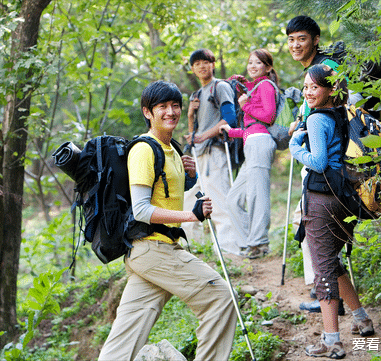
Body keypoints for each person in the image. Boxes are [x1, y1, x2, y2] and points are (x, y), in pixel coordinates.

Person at [98, 80, 237, 361]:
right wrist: (191, 215)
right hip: (153, 248)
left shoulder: (171, 148)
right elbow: (141, 210)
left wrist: (191, 178)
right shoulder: (143, 150)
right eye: (162, 106)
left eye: (175, 105)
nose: (171, 112)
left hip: (152, 252)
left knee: (125, 338)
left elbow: (166, 193)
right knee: (220, 298)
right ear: (148, 112)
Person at [289, 64, 375, 359]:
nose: (308, 92)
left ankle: (332, 341)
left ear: (330, 89)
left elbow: (319, 161)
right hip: (344, 197)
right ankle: (362, 318)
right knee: (333, 263)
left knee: (322, 269)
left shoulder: (316, 119)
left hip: (322, 198)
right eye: (305, 87)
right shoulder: (342, 112)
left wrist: (294, 148)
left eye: (314, 87)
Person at [286, 15, 348, 315]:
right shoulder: (316, 71)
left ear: (315, 40)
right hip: (328, 163)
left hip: (324, 168)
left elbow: (341, 104)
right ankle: (337, 300)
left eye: (301, 38)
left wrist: (297, 143)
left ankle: (324, 298)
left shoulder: (327, 68)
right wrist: (300, 122)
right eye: (291, 39)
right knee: (321, 236)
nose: (295, 44)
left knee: (313, 229)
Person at [182, 48, 244, 255]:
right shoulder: (196, 94)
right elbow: (193, 133)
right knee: (190, 201)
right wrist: (190, 116)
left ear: (213, 64)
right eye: (197, 63)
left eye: (205, 62)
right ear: (192, 68)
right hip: (197, 156)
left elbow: (229, 119)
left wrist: (202, 136)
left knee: (219, 201)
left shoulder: (221, 86)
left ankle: (231, 251)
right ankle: (195, 248)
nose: (201, 66)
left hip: (214, 153)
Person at [218, 49, 278, 259]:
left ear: (268, 67)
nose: (252, 66)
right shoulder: (256, 87)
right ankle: (247, 243)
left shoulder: (267, 86)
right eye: (250, 62)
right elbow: (252, 126)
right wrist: (231, 131)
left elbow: (268, 117)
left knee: (257, 196)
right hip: (251, 142)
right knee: (233, 199)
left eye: (258, 63)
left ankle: (260, 244)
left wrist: (246, 105)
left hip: (260, 144)